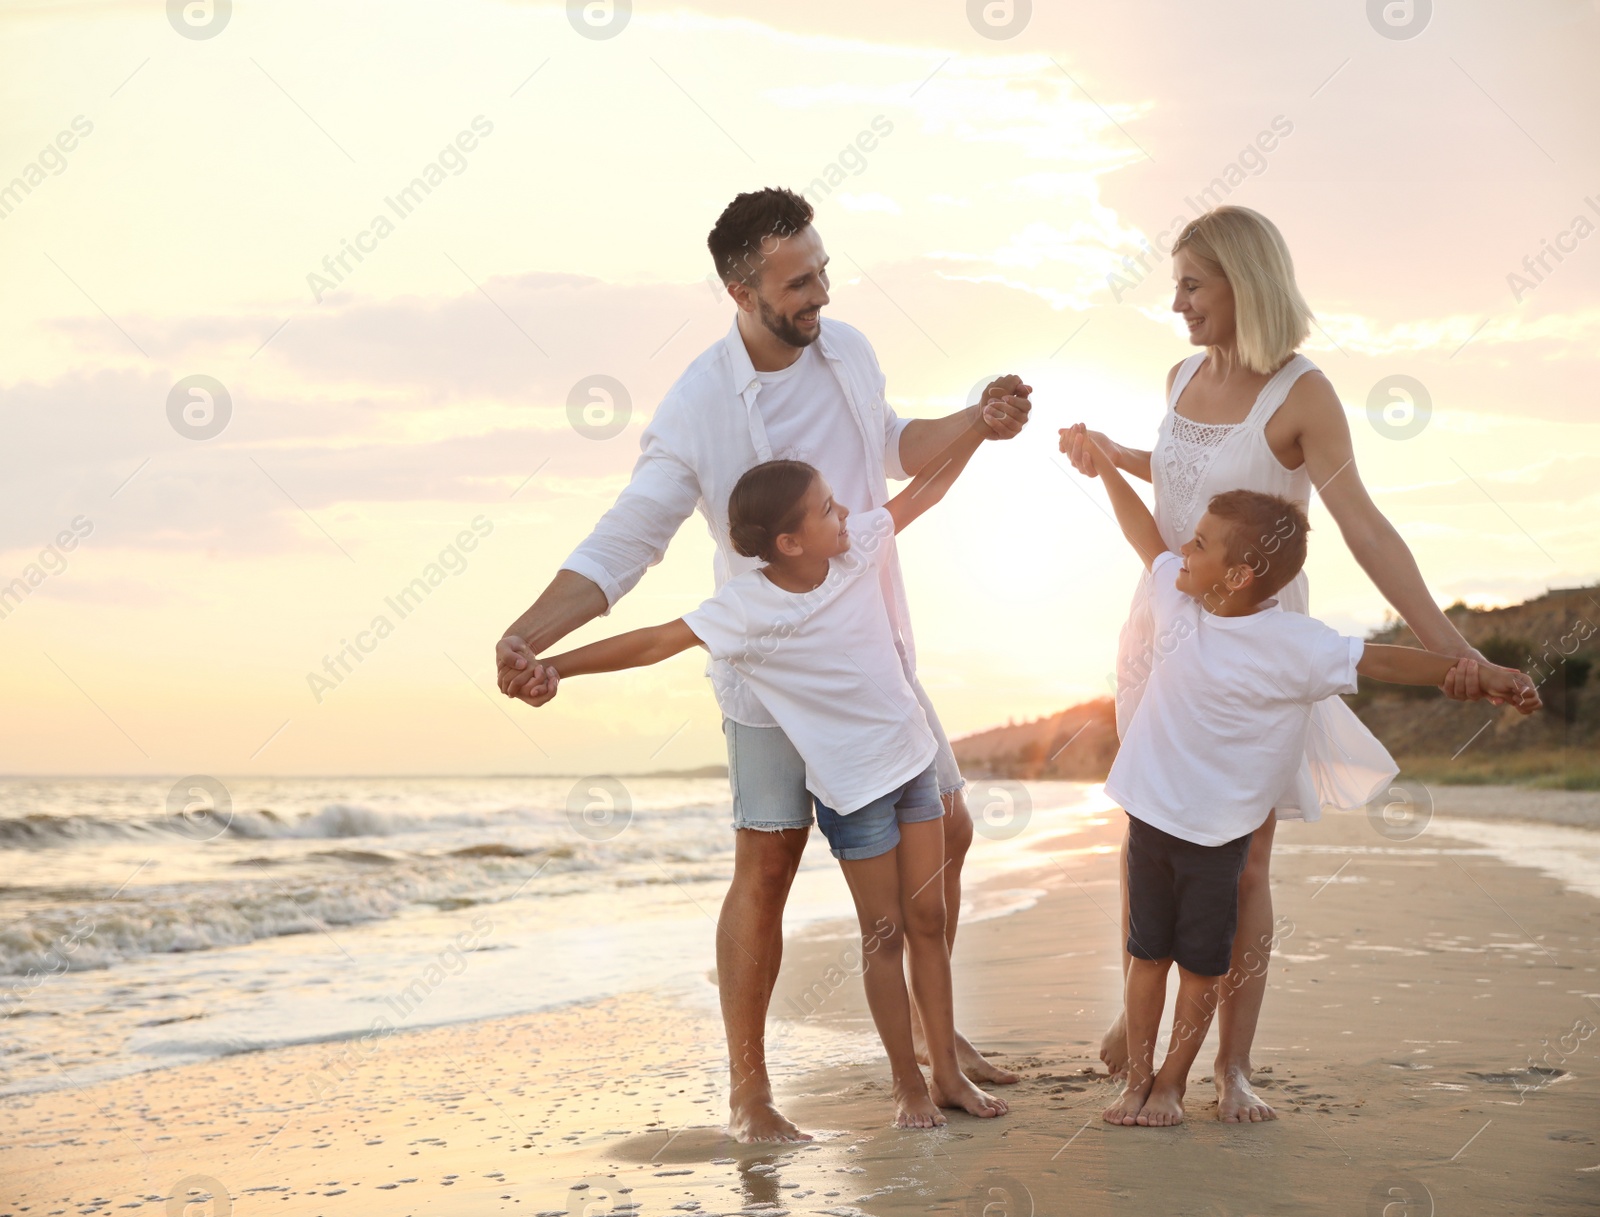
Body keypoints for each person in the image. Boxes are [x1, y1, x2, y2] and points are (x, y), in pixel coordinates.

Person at [496, 187, 1032, 1142]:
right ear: (741, 290)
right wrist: (533, 636)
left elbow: (900, 449)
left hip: (873, 653)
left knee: (947, 828)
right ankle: (749, 1087)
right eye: (798, 281)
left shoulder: (850, 351)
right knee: (768, 868)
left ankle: (932, 1043)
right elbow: (629, 541)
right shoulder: (699, 406)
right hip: (770, 682)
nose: (820, 292)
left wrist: (976, 420)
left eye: (823, 270)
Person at [1060, 205, 1540, 1122]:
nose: (1178, 303)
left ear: (1247, 282)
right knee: (1152, 831)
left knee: (1242, 859)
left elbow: (1361, 524)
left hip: (1258, 647)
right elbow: (1177, 479)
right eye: (1177, 285)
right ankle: (1140, 1012)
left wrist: (1454, 648)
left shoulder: (1303, 393)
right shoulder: (1177, 375)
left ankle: (1231, 1065)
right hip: (1164, 636)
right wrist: (1106, 455)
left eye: (1193, 285)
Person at [524, 440, 1015, 1128]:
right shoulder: (746, 608)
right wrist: (556, 665)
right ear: (788, 541)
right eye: (824, 507)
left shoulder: (854, 550)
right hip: (855, 791)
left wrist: (976, 430)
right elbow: (653, 641)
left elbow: (923, 491)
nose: (843, 508)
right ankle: (906, 1086)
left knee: (929, 921)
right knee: (885, 933)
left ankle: (947, 1075)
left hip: (914, 764)